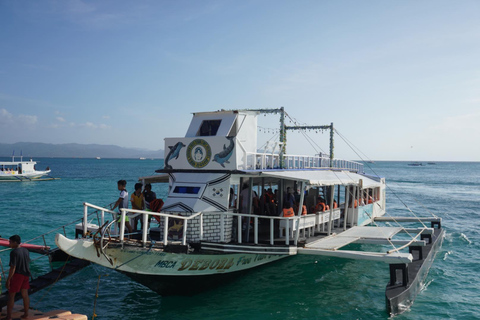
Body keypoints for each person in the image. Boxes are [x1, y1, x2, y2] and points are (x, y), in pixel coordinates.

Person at [6, 235, 31, 320]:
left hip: (18, 275)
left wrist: (8, 280)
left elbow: (13, 267)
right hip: (26, 274)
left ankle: (8, 316)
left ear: (15, 242)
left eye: (10, 242)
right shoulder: (26, 250)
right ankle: (26, 314)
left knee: (11, 296)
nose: (9, 244)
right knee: (25, 294)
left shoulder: (14, 252)